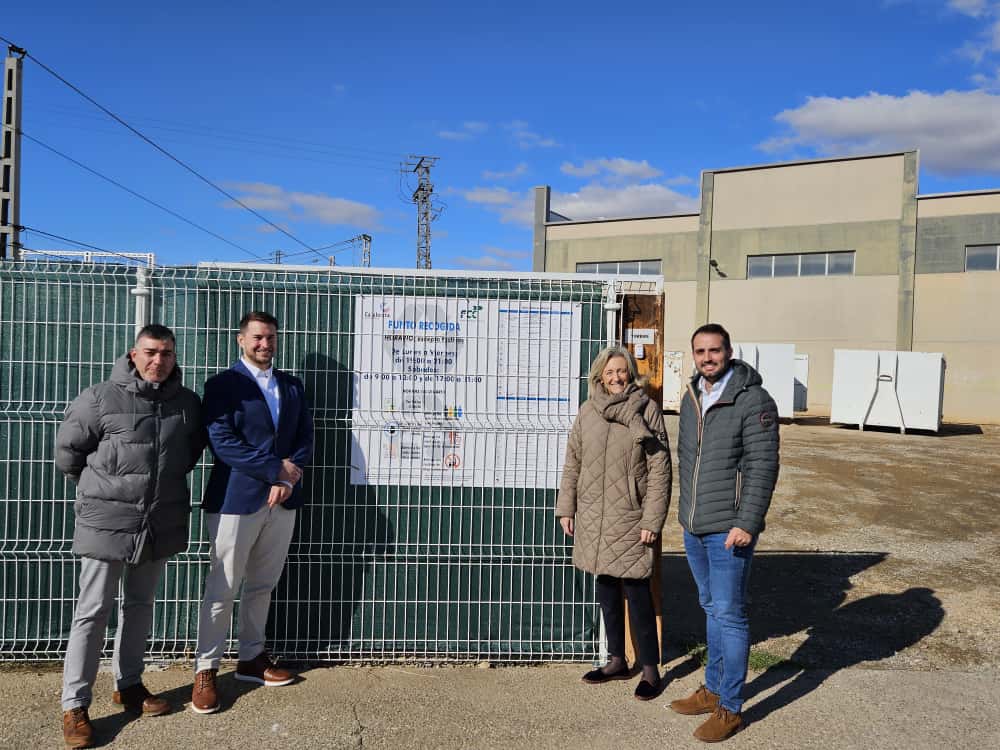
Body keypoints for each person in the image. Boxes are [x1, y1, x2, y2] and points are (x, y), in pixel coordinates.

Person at [55, 324, 205, 749]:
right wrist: (103, 491)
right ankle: (75, 705)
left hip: (158, 521)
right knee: (92, 611)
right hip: (106, 521)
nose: (159, 360)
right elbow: (68, 453)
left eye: (167, 353)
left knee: (139, 606)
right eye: (151, 352)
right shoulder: (100, 398)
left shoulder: (187, 404)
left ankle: (129, 685)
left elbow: (188, 454)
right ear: (133, 354)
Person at [191, 311, 313, 714]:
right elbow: (222, 442)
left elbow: (304, 438)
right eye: (258, 337)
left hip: (283, 500)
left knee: (263, 585)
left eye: (271, 337)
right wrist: (275, 469)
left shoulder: (291, 386)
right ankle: (206, 669)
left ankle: (251, 658)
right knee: (222, 587)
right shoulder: (222, 385)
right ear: (241, 340)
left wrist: (287, 480)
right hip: (236, 501)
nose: (265, 344)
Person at [668, 323, 779, 742]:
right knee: (712, 608)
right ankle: (712, 690)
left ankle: (730, 708)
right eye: (700, 351)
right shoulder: (692, 395)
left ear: (729, 351)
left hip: (729, 530)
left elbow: (762, 466)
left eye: (714, 350)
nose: (707, 358)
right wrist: (685, 517)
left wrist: (747, 522)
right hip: (695, 527)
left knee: (730, 616)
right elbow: (687, 460)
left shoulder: (752, 399)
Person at [556, 346, 671, 701]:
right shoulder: (587, 412)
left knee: (637, 593)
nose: (616, 377)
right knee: (605, 588)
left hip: (631, 517)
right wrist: (566, 507)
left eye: (621, 371)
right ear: (599, 377)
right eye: (609, 372)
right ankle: (617, 661)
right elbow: (573, 462)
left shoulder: (647, 410)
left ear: (631, 374)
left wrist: (653, 518)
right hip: (594, 515)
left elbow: (660, 469)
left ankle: (650, 669)